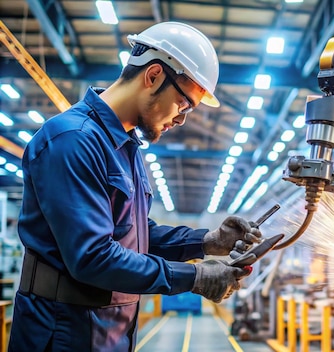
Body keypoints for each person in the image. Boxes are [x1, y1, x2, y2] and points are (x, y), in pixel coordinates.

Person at [9, 22, 262, 351]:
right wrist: (194, 277)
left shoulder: (125, 148)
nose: (182, 119)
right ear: (154, 75)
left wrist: (208, 241)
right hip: (62, 333)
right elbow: (94, 257)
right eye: (183, 104)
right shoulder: (73, 140)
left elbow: (137, 236)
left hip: (111, 333)